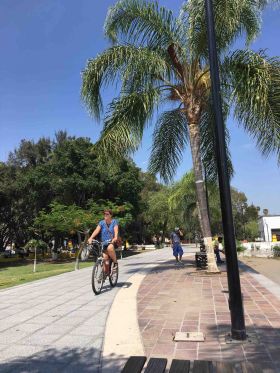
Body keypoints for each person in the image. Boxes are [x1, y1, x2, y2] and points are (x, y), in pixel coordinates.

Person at [88, 209, 119, 274]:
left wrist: (115, 237)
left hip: (111, 242)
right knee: (105, 260)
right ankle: (105, 274)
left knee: (110, 248)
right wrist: (91, 238)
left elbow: (116, 230)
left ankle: (115, 263)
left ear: (111, 215)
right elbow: (97, 230)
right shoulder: (102, 222)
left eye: (107, 214)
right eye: (104, 214)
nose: (105, 215)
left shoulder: (114, 222)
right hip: (103, 243)